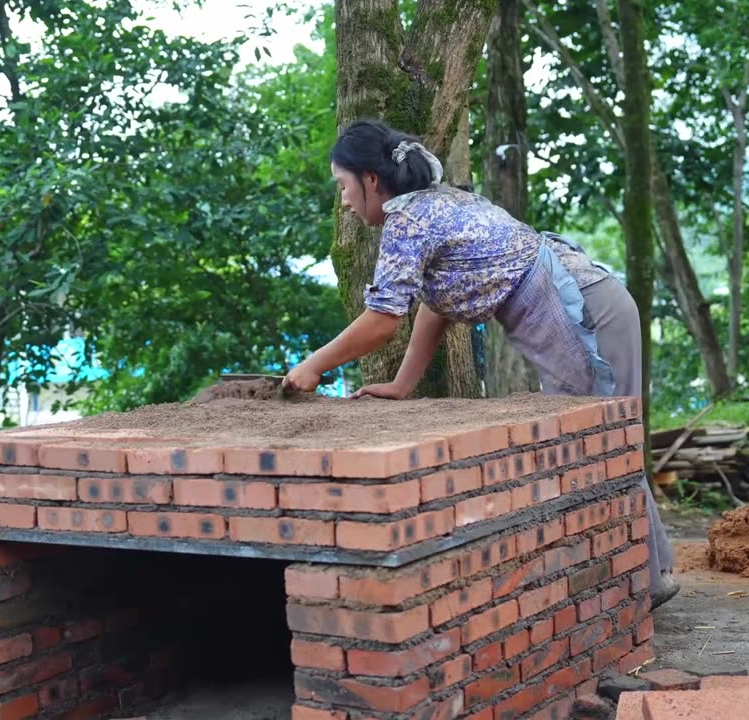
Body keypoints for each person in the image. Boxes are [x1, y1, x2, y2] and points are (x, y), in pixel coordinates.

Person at [283, 120, 680, 608]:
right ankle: (650, 577)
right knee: (606, 442)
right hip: (595, 300)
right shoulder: (436, 203)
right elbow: (436, 304)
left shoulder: (409, 218)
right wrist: (404, 383)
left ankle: (644, 583)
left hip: (585, 311)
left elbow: (383, 320)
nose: (343, 202)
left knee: (599, 442)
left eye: (342, 186)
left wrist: (312, 365)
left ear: (369, 179)